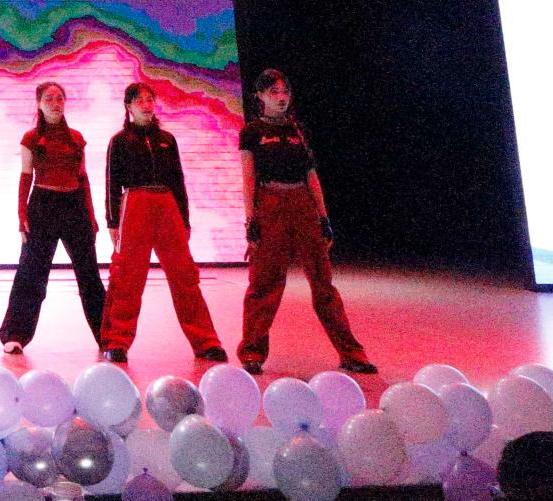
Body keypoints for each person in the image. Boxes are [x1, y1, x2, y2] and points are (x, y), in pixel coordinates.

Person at [237, 69, 377, 375]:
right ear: (260, 96)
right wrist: (251, 220)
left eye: (285, 91)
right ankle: (252, 352)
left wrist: (323, 217)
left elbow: (311, 175)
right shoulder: (251, 132)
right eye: (274, 92)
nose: (281, 97)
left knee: (323, 283)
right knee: (264, 283)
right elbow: (248, 178)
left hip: (302, 204)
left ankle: (351, 352)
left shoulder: (298, 130)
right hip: (270, 203)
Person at [97, 82, 225, 362]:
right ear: (128, 107)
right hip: (135, 204)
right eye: (139, 101)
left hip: (167, 206)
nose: (146, 105)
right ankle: (117, 341)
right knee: (128, 276)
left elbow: (178, 181)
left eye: (149, 100)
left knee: (185, 276)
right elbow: (112, 183)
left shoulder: (167, 140)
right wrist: (112, 221)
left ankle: (206, 342)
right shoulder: (119, 141)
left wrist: (184, 219)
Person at [0, 81, 105, 353]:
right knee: (31, 274)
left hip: (74, 206)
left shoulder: (76, 138)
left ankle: (108, 336)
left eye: (59, 98)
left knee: (89, 275)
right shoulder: (31, 138)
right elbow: (25, 177)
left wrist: (91, 215)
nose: (55, 103)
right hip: (42, 206)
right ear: (39, 104)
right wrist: (21, 214)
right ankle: (15, 334)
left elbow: (83, 178)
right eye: (49, 99)